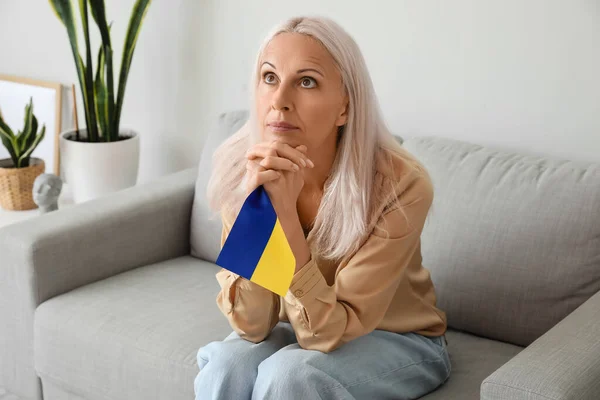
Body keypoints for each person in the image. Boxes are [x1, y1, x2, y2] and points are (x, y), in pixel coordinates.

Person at [194, 15, 450, 400]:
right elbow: (251, 325)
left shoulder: (399, 186)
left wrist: (286, 221)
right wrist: (257, 210)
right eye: (269, 77)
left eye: (307, 81)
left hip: (400, 338)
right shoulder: (241, 165)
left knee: (289, 376)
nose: (279, 102)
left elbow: (325, 332)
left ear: (345, 107)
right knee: (227, 366)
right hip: (295, 325)